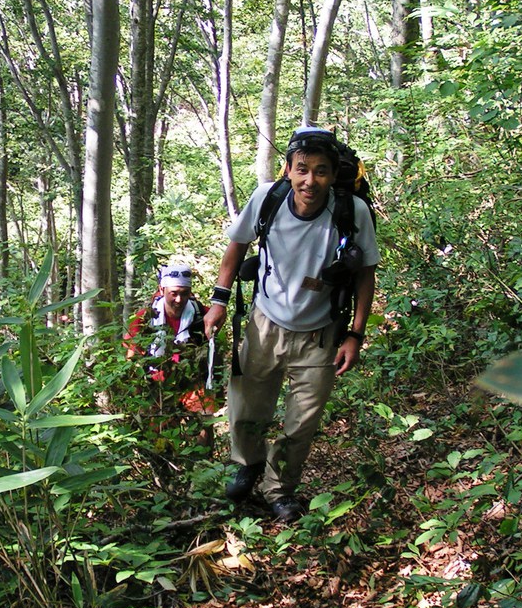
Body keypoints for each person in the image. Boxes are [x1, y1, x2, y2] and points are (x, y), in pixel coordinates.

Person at [203, 127, 380, 523]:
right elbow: (237, 246)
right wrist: (218, 300)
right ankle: (248, 463)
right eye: (302, 169)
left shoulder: (353, 212)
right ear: (287, 170)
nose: (309, 181)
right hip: (265, 323)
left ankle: (279, 488)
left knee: (302, 422)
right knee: (246, 404)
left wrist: (355, 334)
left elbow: (366, 274)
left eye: (320, 171)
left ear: (333, 176)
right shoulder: (268, 198)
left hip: (321, 333)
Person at [125, 260, 217, 452]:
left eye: (184, 294)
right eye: (173, 293)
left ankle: (202, 467)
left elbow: (217, 338)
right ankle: (166, 469)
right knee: (159, 434)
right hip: (158, 384)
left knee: (204, 424)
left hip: (193, 380)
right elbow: (131, 356)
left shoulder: (202, 314)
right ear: (162, 290)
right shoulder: (144, 317)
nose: (178, 300)